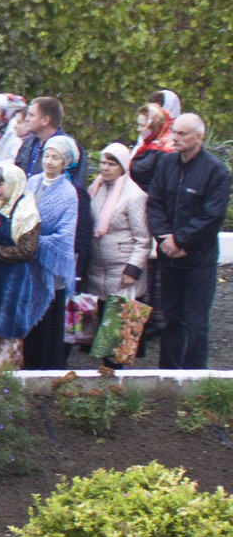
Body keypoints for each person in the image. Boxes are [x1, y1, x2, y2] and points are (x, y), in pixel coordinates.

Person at [144, 113, 227, 369]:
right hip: (169, 258)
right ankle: (168, 376)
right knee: (170, 320)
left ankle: (195, 380)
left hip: (199, 261)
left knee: (196, 323)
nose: (174, 138)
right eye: (173, 132)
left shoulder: (216, 172)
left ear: (198, 137)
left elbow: (212, 216)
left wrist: (180, 241)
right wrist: (165, 240)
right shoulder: (166, 164)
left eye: (181, 134)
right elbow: (154, 204)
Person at [0, 165, 47, 370]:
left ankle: (4, 375)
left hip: (13, 280)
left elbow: (26, 251)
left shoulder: (27, 212)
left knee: (5, 326)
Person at [22, 136, 81, 368]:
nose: (49, 161)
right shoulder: (32, 182)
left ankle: (46, 369)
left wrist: (35, 242)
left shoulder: (69, 193)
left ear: (65, 162)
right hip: (27, 266)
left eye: (55, 157)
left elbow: (66, 237)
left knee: (47, 326)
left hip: (49, 270)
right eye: (47, 155)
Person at [85, 142, 150, 303]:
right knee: (93, 325)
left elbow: (143, 239)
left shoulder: (134, 195)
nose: (105, 168)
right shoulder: (95, 189)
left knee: (118, 326)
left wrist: (132, 270)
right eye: (103, 163)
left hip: (122, 273)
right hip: (95, 272)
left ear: (122, 167)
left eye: (112, 164)